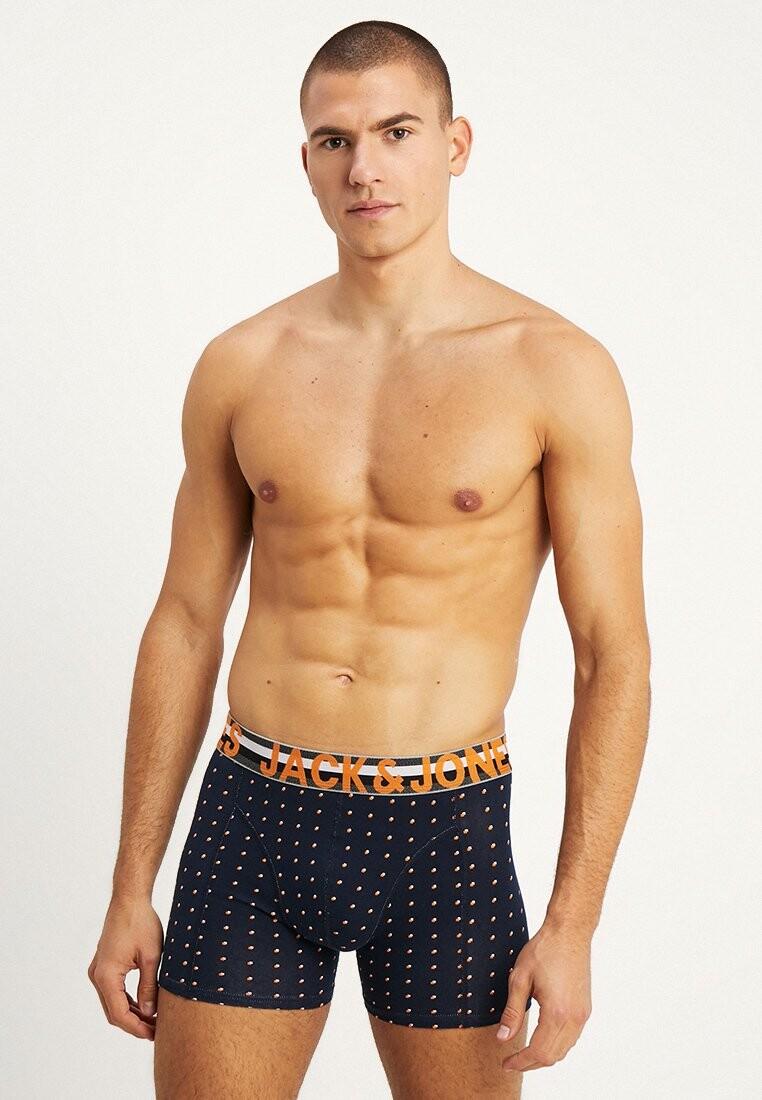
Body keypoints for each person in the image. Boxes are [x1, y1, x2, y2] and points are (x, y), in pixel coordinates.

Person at [88, 19, 651, 1100]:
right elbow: (186, 621)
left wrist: (575, 923)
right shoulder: (243, 363)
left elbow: (611, 654)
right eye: (334, 140)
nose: (365, 168)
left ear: (456, 143)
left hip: (447, 833)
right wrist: (129, 884)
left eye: (397, 131)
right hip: (254, 818)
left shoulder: (555, 368)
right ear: (305, 160)